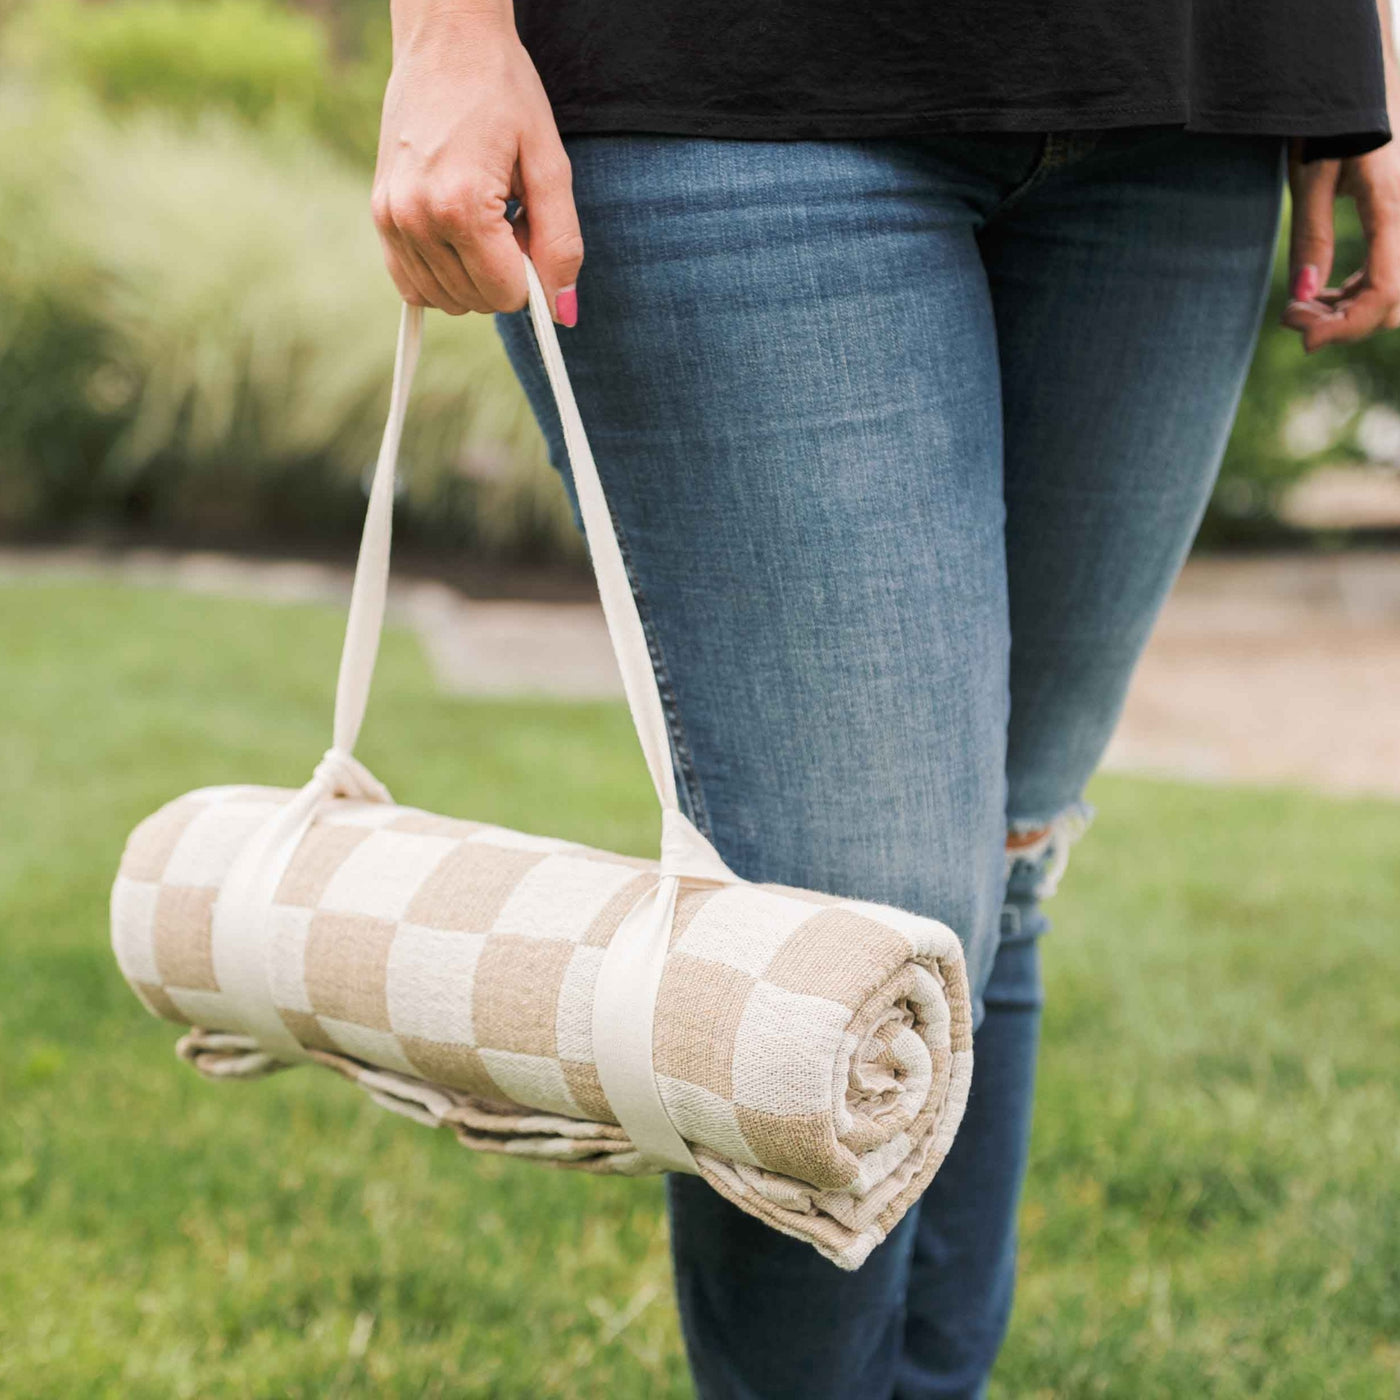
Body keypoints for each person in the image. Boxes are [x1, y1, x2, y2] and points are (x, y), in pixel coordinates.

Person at [369, 3, 1400, 1396]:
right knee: (833, 958)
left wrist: (1367, 46)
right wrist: (445, 36)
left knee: (1004, 862)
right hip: (731, 89)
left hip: (1197, 80)